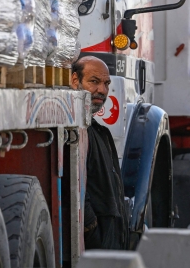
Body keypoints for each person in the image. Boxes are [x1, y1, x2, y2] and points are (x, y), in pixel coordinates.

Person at [71, 56, 129, 250]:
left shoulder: (98, 132)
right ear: (74, 81)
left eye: (106, 84)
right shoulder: (76, 131)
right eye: (94, 82)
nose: (102, 91)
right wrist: (92, 230)